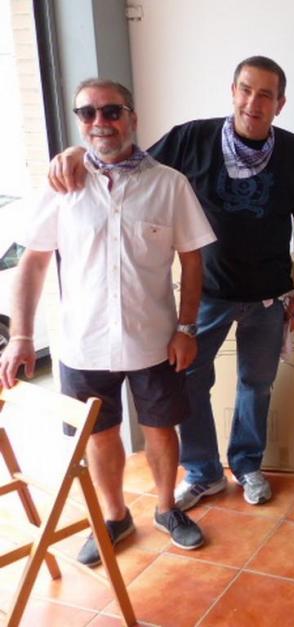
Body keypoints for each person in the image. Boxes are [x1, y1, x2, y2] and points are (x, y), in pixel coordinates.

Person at [48, 56, 294, 509]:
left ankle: (247, 464)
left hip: (269, 296)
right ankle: (203, 473)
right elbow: (125, 160)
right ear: (233, 91)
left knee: (256, 385)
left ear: (280, 104)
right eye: (245, 89)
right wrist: (77, 154)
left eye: (265, 95)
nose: (253, 102)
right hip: (208, 296)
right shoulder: (192, 138)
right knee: (191, 385)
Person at [0, 79, 216, 566]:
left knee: (161, 427)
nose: (100, 122)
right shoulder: (63, 185)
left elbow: (192, 261)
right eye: (88, 113)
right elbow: (33, 263)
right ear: (79, 121)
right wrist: (21, 336)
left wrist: (187, 328)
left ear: (132, 118)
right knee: (100, 434)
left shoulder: (169, 185)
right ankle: (115, 517)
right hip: (83, 342)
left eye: (112, 111)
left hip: (154, 340)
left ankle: (167, 509)